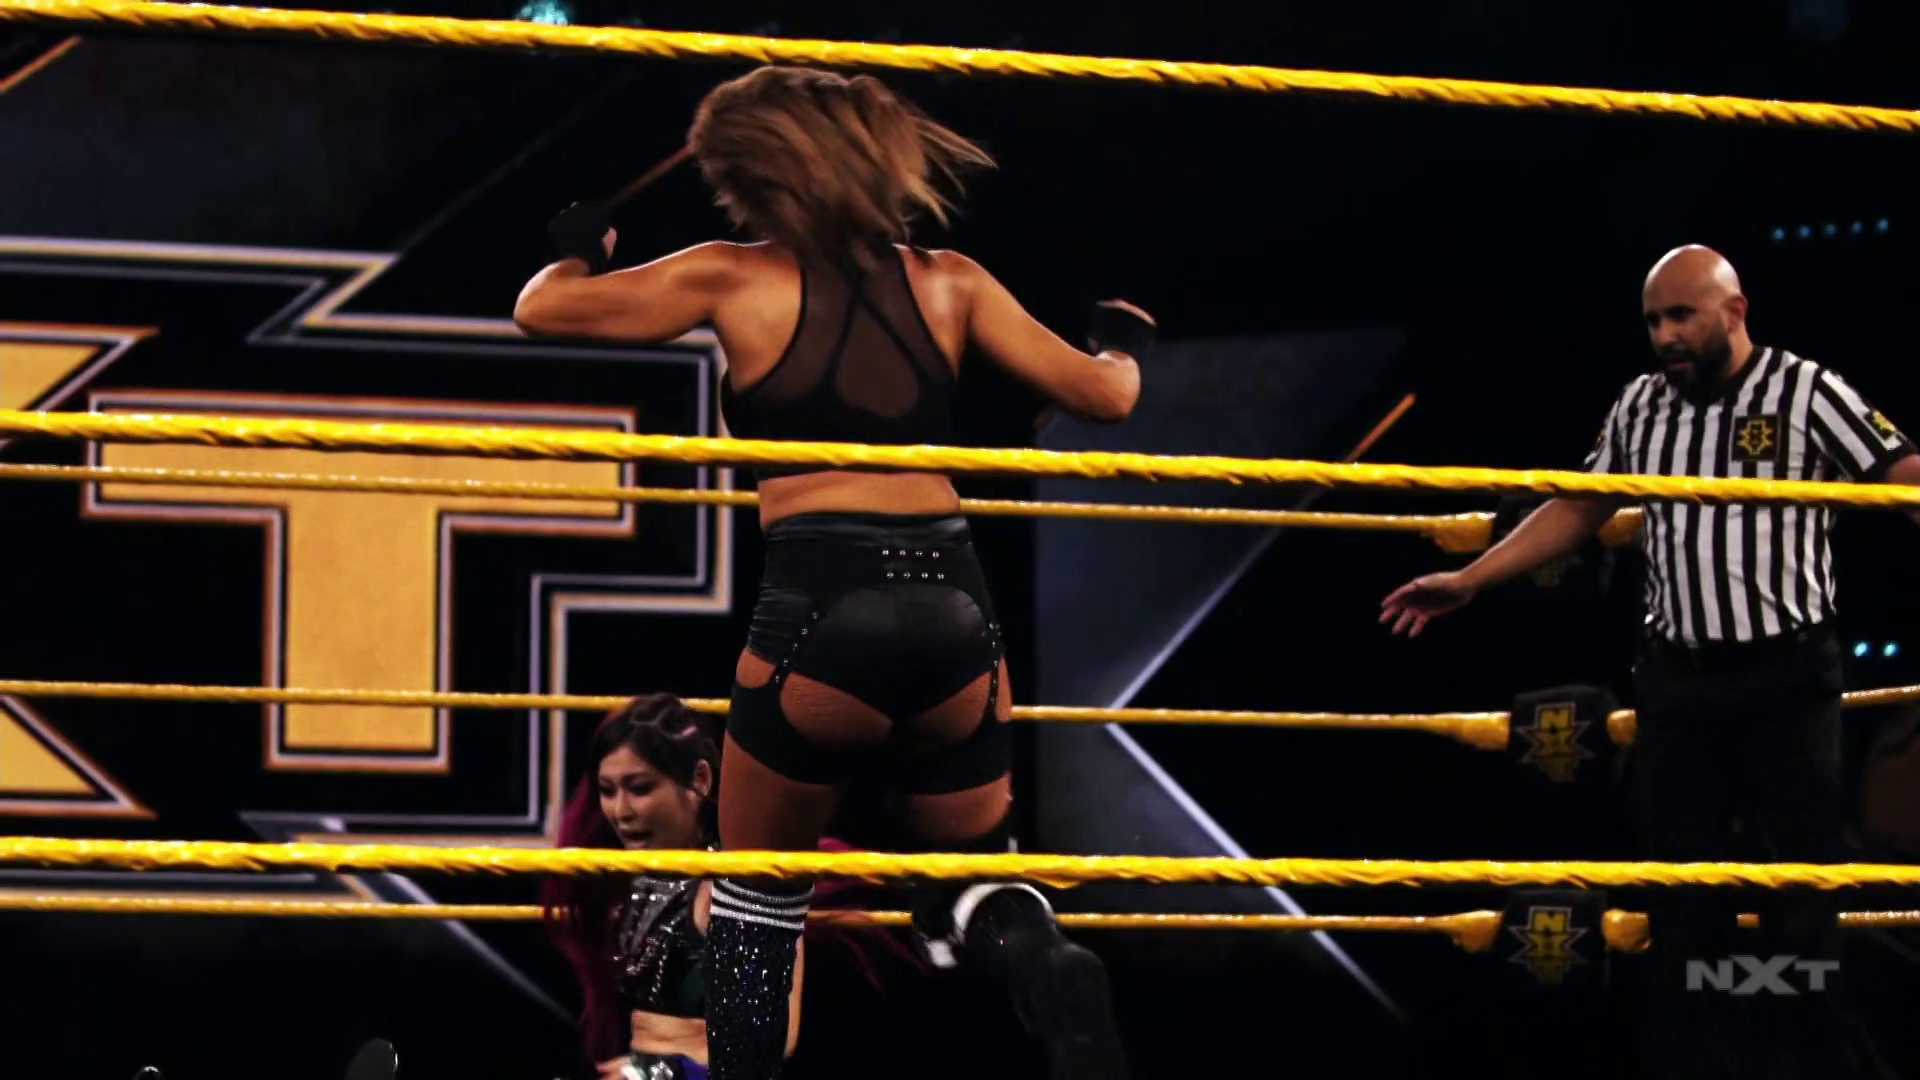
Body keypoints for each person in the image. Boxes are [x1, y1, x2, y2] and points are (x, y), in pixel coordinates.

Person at [516, 66, 1149, 1080]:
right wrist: (1118, 342)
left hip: (821, 606)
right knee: (973, 876)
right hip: (955, 604)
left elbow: (544, 311)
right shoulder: (952, 279)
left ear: (750, 175)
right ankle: (1042, 956)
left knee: (756, 896)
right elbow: (1107, 398)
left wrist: (579, 247)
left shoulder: (731, 274)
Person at [1379, 245, 1918, 1077]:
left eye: (1682, 316)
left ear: (1734, 310)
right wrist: (1473, 578)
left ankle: (1802, 1059)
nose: (1665, 335)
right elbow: (1581, 506)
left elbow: (1903, 473)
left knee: (1798, 902)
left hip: (1784, 682)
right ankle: (1703, 1061)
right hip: (1678, 687)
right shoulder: (1641, 406)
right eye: (1654, 320)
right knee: (1681, 905)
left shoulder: (1805, 390)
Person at [542, 694, 919, 1080]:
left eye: (640, 788)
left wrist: (658, 1073)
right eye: (607, 791)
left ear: (699, 781)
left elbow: (769, 1043)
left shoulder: (738, 888)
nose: (621, 811)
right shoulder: (631, 883)